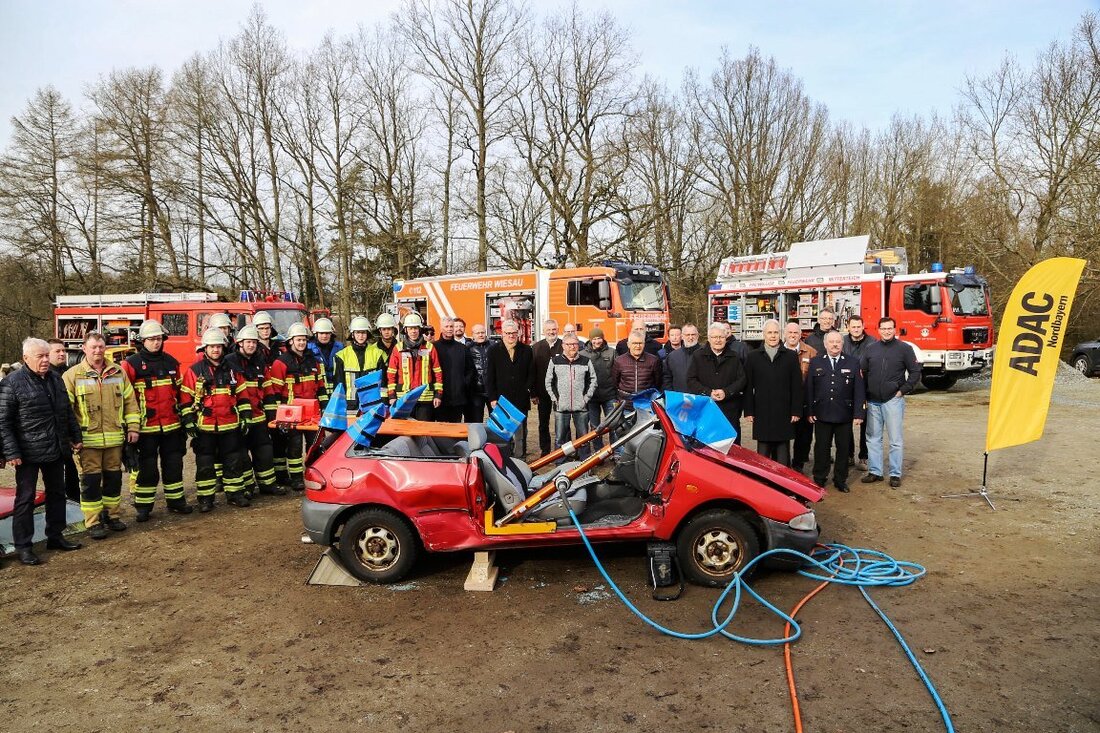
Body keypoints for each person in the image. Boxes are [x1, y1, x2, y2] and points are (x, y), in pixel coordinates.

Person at [0, 338, 84, 565]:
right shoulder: (12, 384)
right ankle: (24, 547)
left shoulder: (56, 379)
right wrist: (11, 452)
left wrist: (75, 437)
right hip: (26, 454)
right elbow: (3, 422)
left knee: (57, 494)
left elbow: (66, 411)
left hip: (56, 448)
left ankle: (55, 536)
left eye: (47, 355)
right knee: (25, 499)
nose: (46, 360)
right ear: (26, 358)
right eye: (41, 356)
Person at [63, 332, 140, 539]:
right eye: (93, 347)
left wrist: (133, 428)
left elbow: (131, 403)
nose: (98, 350)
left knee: (114, 480)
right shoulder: (72, 375)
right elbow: (65, 411)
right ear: (84, 349)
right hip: (87, 442)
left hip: (115, 439)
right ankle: (93, 522)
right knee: (90, 483)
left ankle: (112, 516)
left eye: (101, 347)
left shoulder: (117, 372)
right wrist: (72, 438)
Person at [121, 320, 193, 521]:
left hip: (171, 426)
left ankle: (176, 501)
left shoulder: (171, 362)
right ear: (143, 340)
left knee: (173, 465)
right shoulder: (131, 364)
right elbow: (125, 398)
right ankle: (143, 507)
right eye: (151, 339)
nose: (156, 343)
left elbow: (179, 393)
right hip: (146, 429)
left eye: (159, 339)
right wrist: (128, 427)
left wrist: (184, 419)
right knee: (148, 469)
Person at [181, 329, 251, 510]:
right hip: (205, 427)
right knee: (205, 464)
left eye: (218, 346)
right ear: (205, 348)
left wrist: (246, 416)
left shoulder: (234, 371)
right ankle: (206, 499)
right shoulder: (195, 371)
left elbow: (243, 395)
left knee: (233, 462)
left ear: (224, 347)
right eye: (212, 346)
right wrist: (188, 419)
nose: (215, 350)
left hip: (230, 424)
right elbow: (186, 398)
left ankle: (235, 494)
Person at [267, 322, 330, 490]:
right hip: (292, 414)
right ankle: (296, 478)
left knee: (315, 445)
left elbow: (321, 387)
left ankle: (314, 474)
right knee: (294, 447)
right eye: (298, 340)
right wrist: (278, 417)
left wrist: (324, 407)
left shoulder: (314, 362)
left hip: (312, 414)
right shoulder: (281, 363)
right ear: (290, 341)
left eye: (303, 340)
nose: (301, 343)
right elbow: (275, 392)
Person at [860, 318, 921, 488]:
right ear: (878, 330)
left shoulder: (904, 349)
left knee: (895, 440)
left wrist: (903, 390)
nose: (886, 331)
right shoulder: (871, 349)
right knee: (872, 438)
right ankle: (875, 471)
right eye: (883, 328)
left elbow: (916, 372)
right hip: (873, 401)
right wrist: (864, 394)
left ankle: (895, 473)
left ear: (895, 329)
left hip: (893, 400)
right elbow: (862, 371)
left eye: (889, 328)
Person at [225, 325, 285, 498]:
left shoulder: (260, 362)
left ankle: (268, 484)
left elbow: (268, 390)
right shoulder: (229, 361)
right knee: (241, 455)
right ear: (239, 343)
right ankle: (247, 487)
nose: (251, 345)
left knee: (264, 452)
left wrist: (272, 416)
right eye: (248, 342)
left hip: (259, 416)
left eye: (253, 342)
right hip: (238, 418)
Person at [806, 331, 865, 492]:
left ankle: (840, 479)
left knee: (843, 448)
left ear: (842, 344)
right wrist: (810, 411)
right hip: (822, 413)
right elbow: (810, 389)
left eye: (838, 342)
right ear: (825, 344)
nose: (834, 345)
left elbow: (859, 390)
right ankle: (819, 478)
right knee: (821, 448)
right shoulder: (816, 361)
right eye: (831, 342)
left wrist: (859, 413)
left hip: (844, 414)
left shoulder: (853, 362)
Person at [743, 319, 802, 465]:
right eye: (769, 332)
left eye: (776, 332)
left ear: (781, 334)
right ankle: (763, 484)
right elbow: (748, 386)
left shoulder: (791, 356)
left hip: (784, 412)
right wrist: (749, 411)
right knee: (763, 455)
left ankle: (783, 485)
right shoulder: (753, 357)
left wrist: (796, 410)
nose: (773, 336)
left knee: (783, 455)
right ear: (764, 335)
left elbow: (797, 386)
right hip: (762, 412)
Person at [484, 320, 535, 460]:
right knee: (503, 433)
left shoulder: (526, 350)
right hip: (501, 399)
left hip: (520, 398)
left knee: (520, 434)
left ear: (518, 334)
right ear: (502, 334)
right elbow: (489, 376)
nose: (511, 336)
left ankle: (520, 459)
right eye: (508, 333)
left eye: (513, 333)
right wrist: (492, 398)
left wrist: (527, 390)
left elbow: (531, 373)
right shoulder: (493, 350)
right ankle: (504, 459)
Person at [686, 323, 747, 435]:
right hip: (705, 409)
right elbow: (691, 380)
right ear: (709, 339)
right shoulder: (698, 356)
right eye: (714, 337)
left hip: (729, 411)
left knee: (731, 446)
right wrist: (708, 392)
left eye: (721, 337)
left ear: (726, 338)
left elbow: (742, 380)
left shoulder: (734, 357)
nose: (718, 340)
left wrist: (726, 392)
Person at [546, 334, 597, 457]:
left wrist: (585, 399)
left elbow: (593, 380)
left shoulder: (586, 361)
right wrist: (556, 399)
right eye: (568, 344)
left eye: (574, 344)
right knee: (560, 438)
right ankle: (560, 462)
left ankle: (584, 462)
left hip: (581, 407)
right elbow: (548, 382)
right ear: (563, 345)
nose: (572, 347)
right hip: (561, 407)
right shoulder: (554, 361)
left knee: (584, 438)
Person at [385, 312, 442, 421]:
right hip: (404, 399)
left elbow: (437, 372)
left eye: (416, 328)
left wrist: (438, 395)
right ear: (405, 330)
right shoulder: (398, 348)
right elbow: (391, 374)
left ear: (420, 329)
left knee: (424, 433)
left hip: (425, 399)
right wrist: (392, 396)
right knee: (405, 433)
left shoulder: (430, 347)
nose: (413, 331)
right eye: (410, 328)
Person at [47, 338, 81, 502]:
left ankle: (74, 501)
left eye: (63, 351)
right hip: (56, 436)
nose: (62, 354)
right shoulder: (47, 376)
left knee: (73, 473)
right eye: (57, 351)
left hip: (70, 431)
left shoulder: (70, 372)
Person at [842, 315, 877, 471]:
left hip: (866, 389)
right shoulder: (842, 342)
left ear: (863, 326)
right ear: (848, 327)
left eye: (858, 326)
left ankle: (863, 457)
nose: (856, 329)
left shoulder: (873, 343)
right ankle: (849, 455)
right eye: (853, 326)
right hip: (846, 389)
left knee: (866, 425)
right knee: (845, 425)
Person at [783, 321, 818, 473]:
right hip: (783, 401)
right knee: (782, 435)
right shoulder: (776, 351)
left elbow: (816, 378)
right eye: (789, 333)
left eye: (795, 333)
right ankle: (782, 464)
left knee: (803, 436)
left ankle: (798, 465)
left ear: (800, 335)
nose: (792, 336)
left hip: (804, 401)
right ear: (784, 334)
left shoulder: (811, 352)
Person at [333, 316, 376, 419]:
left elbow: (382, 385)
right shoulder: (341, 356)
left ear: (367, 334)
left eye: (363, 333)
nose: (361, 336)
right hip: (349, 406)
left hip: (371, 404)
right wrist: (339, 406)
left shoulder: (377, 354)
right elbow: (339, 384)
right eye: (358, 333)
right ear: (352, 334)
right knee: (350, 434)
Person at [434, 317, 475, 422]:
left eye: (451, 326)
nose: (449, 329)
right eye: (446, 326)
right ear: (441, 328)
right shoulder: (434, 347)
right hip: (439, 398)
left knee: (455, 429)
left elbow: (471, 370)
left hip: (458, 398)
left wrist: (463, 384)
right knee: (440, 431)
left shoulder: (462, 348)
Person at [531, 319, 563, 456]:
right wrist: (533, 393)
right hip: (542, 393)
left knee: (561, 423)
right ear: (543, 331)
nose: (551, 332)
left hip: (561, 392)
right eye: (548, 330)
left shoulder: (563, 345)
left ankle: (561, 449)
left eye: (553, 329)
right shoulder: (536, 347)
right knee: (543, 423)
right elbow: (531, 371)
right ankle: (545, 450)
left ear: (557, 329)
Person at [580, 328, 616, 446]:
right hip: (591, 397)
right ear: (590, 340)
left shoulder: (612, 352)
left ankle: (616, 452)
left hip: (609, 395)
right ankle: (598, 451)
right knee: (595, 426)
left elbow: (617, 372)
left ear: (603, 338)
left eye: (599, 338)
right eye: (594, 339)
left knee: (613, 423)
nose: (597, 341)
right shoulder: (583, 354)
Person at [611, 332, 662, 400]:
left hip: (646, 404)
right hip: (626, 404)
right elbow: (615, 382)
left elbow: (658, 382)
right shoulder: (619, 361)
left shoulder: (653, 360)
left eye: (640, 343)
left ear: (644, 344)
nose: (638, 346)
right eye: (634, 343)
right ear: (628, 345)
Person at [662, 323, 701, 392]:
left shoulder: (705, 354)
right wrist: (671, 395)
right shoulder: (672, 356)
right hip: (679, 399)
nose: (690, 337)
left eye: (693, 334)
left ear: (698, 336)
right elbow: (667, 378)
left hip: (701, 399)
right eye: (687, 335)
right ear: (682, 336)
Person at [465, 324, 492, 423]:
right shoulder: (467, 348)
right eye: (478, 333)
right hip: (475, 390)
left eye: (482, 332)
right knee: (476, 421)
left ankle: (496, 439)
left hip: (491, 390)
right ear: (473, 335)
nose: (481, 335)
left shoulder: (493, 346)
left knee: (496, 421)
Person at [307, 317, 343, 390]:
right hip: (317, 390)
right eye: (321, 333)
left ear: (331, 334)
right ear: (316, 334)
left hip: (336, 390)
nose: (324, 336)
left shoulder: (340, 348)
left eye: (327, 333)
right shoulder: (308, 349)